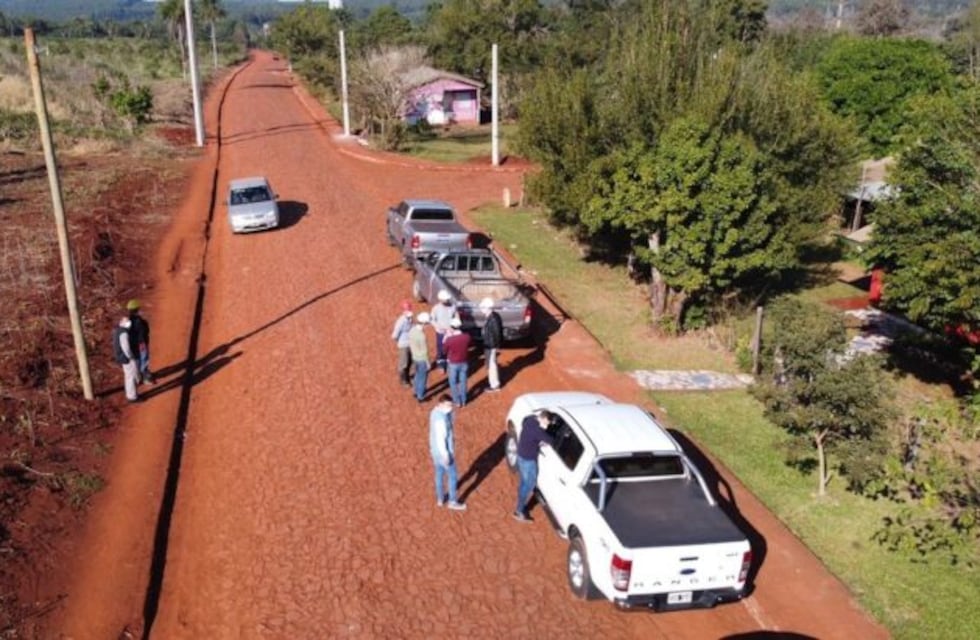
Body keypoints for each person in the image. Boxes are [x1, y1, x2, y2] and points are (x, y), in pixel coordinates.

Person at [514, 410, 554, 522]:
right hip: (528, 461)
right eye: (547, 423)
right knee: (529, 484)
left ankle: (519, 504)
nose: (547, 425)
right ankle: (519, 511)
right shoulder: (538, 431)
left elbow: (526, 419)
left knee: (523, 482)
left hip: (521, 455)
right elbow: (551, 440)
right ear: (543, 419)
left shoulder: (530, 421)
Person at [429, 394, 467, 511]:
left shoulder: (434, 413)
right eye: (448, 405)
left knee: (439, 474)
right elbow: (441, 439)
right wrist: (446, 455)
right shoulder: (441, 420)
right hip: (444, 453)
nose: (450, 408)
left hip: (435, 451)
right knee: (452, 476)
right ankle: (452, 501)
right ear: (441, 404)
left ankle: (440, 499)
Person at [443, 317, 472, 408]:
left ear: (452, 327)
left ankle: (457, 401)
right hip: (464, 362)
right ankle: (464, 400)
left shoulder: (450, 340)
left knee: (453, 382)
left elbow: (444, 351)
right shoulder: (467, 337)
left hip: (453, 363)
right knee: (463, 381)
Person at [112, 317, 140, 403]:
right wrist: (131, 357)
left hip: (122, 357)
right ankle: (132, 397)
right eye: (127, 321)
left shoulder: (118, 331)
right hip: (126, 358)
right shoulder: (124, 333)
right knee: (131, 376)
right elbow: (126, 348)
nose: (129, 323)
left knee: (128, 376)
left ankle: (131, 395)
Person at [127, 299, 154, 384]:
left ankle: (138, 377)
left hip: (133, 344)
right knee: (144, 359)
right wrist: (142, 343)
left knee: (137, 360)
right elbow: (144, 332)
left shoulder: (128, 321)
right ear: (137, 309)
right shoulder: (139, 321)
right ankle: (145, 376)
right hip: (141, 343)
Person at [430, 289, 457, 372]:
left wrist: (455, 324)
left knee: (450, 348)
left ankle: (449, 364)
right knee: (441, 348)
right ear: (440, 299)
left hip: (450, 332)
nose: (447, 300)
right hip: (441, 332)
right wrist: (439, 327)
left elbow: (456, 315)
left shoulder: (452, 306)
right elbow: (432, 320)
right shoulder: (436, 308)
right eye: (445, 299)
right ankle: (441, 365)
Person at [480, 297, 503, 392]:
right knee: (491, 363)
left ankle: (494, 385)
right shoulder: (492, 316)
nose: (482, 310)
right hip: (489, 345)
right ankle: (493, 382)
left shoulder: (493, 319)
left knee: (491, 364)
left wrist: (494, 346)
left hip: (490, 345)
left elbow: (497, 333)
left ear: (488, 308)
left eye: (483, 308)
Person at [391, 299, 414, 386]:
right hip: (404, 345)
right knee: (404, 362)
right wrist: (400, 342)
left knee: (410, 361)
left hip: (410, 343)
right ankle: (403, 380)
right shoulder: (400, 321)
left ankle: (407, 376)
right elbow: (394, 335)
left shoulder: (411, 318)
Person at [409, 311, 431, 402]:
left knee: (417, 375)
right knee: (423, 378)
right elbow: (424, 351)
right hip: (421, 359)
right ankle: (420, 396)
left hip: (415, 357)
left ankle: (415, 391)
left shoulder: (412, 330)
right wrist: (427, 362)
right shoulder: (421, 336)